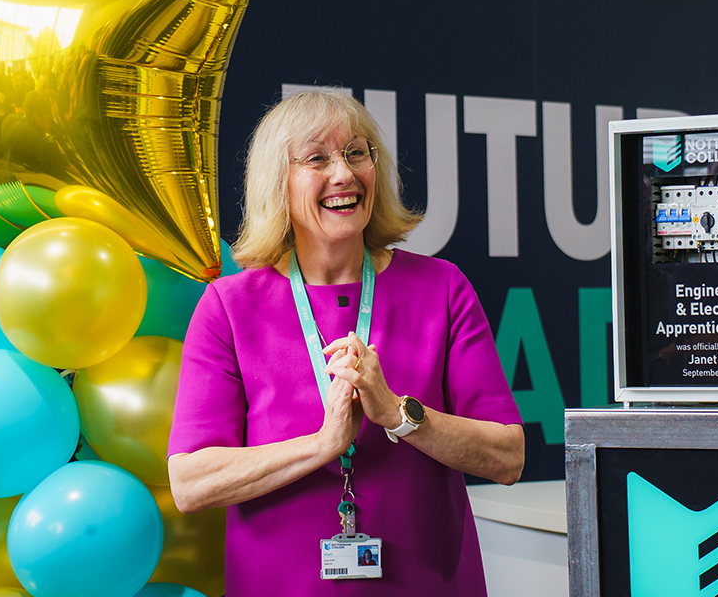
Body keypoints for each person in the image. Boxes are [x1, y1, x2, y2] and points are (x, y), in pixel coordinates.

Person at [167, 90, 525, 596]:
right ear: (279, 183)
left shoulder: (442, 288)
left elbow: (507, 456)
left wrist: (399, 414)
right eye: (317, 158)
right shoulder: (229, 304)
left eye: (357, 153)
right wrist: (322, 444)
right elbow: (192, 481)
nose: (344, 174)